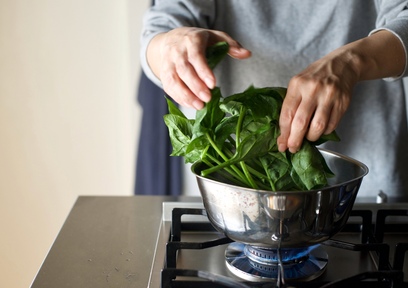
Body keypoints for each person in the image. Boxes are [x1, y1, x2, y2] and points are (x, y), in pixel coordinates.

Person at [140, 1, 408, 198]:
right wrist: (168, 47)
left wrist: (351, 62)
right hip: (231, 195)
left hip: (366, 186)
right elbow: (162, 27)